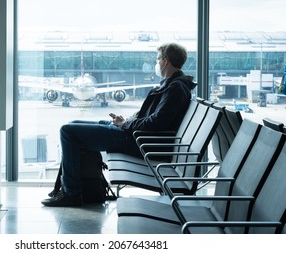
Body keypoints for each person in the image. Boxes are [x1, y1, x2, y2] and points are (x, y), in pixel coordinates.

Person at [41, 43, 197, 207]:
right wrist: (125, 122)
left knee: (68, 131)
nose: (156, 63)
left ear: (165, 62)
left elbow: (156, 122)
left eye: (158, 59)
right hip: (135, 135)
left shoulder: (175, 88)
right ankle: (65, 188)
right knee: (73, 124)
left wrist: (126, 124)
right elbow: (155, 119)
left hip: (138, 141)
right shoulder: (173, 85)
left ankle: (71, 193)